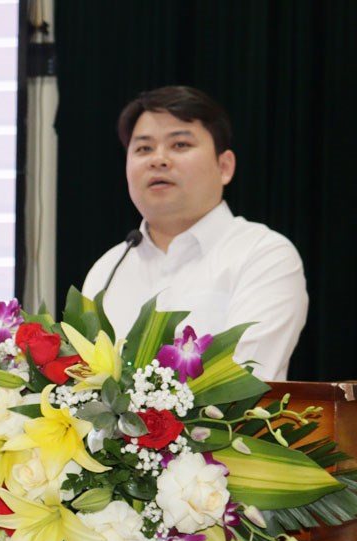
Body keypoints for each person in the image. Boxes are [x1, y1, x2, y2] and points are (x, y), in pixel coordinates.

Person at [81, 85, 308, 381]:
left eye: (180, 145)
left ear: (224, 167)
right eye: (144, 149)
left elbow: (240, 379)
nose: (158, 159)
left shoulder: (264, 255)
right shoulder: (107, 270)